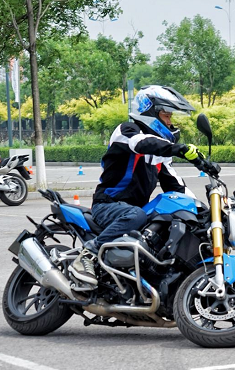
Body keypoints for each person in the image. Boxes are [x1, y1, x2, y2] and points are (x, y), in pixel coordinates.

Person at [69, 85, 210, 287]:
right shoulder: (127, 131)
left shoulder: (160, 155)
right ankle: (89, 253)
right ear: (150, 112)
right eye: (166, 115)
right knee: (136, 216)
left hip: (135, 209)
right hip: (108, 205)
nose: (170, 122)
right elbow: (141, 143)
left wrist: (201, 211)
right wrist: (179, 149)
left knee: (167, 220)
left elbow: (177, 187)